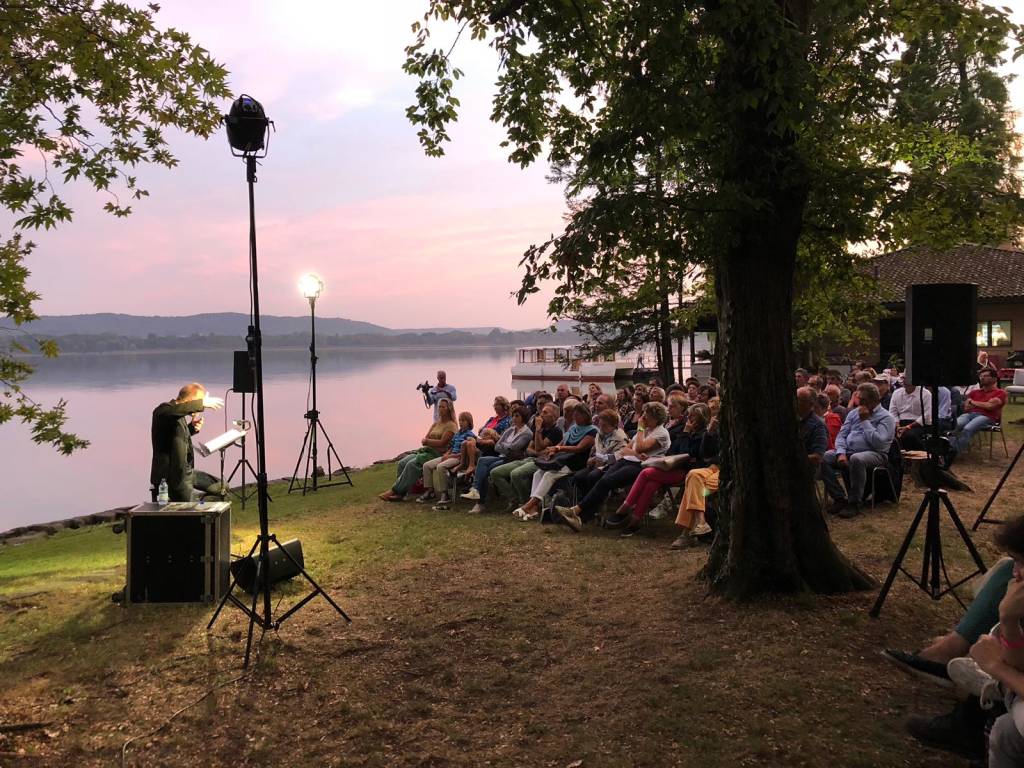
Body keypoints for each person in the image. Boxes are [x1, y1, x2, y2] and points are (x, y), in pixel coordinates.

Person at [556, 401, 672, 530]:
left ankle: (577, 513)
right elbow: (626, 450)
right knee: (601, 480)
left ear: (655, 418)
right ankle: (579, 515)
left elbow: (638, 447)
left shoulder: (661, 433)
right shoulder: (646, 430)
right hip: (627, 460)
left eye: (646, 414)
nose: (643, 417)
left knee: (606, 481)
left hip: (642, 466)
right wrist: (637, 452)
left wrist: (640, 429)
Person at [609, 402, 711, 537]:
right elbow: (672, 451)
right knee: (651, 485)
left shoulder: (702, 435)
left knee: (646, 473)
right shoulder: (685, 433)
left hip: (687, 472)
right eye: (689, 416)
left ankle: (624, 508)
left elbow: (688, 454)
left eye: (693, 417)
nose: (689, 420)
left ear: (701, 419)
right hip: (672, 468)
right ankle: (634, 522)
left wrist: (686, 433)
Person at [819, 382, 896, 519]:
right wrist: (841, 452)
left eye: (862, 400)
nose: (859, 402)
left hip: (876, 454)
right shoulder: (853, 413)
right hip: (848, 450)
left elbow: (879, 443)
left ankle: (854, 502)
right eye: (858, 399)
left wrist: (865, 421)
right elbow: (842, 434)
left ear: (874, 400)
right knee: (825, 457)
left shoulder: (886, 417)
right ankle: (839, 498)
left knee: (857, 459)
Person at [512, 403, 597, 521]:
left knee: (549, 475)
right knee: (538, 473)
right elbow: (562, 443)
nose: (575, 418)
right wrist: (553, 450)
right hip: (563, 460)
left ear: (585, 416)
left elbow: (579, 448)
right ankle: (534, 507)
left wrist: (559, 449)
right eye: (574, 415)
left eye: (577, 415)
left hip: (576, 463)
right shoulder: (573, 428)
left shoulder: (592, 431)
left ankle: (530, 505)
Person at [150, 382, 225, 502]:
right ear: (191, 399)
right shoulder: (163, 411)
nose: (202, 408)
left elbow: (174, 438)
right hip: (172, 476)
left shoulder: (180, 415)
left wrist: (191, 428)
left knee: (222, 487)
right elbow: (172, 412)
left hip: (187, 473)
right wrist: (200, 404)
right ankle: (195, 502)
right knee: (188, 509)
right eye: (199, 401)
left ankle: (197, 500)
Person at [380, 399, 457, 501]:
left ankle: (395, 490)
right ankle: (402, 493)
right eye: (439, 406)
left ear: (449, 409)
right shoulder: (436, 424)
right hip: (427, 450)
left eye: (443, 407)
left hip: (438, 454)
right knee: (402, 463)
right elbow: (425, 438)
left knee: (412, 464)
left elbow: (442, 443)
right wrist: (428, 441)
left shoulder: (451, 425)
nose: (440, 409)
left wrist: (428, 441)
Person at [489, 403, 562, 511]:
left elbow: (538, 447)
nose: (541, 415)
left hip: (543, 463)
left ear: (554, 416)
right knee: (495, 473)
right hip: (529, 458)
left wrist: (538, 431)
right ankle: (514, 499)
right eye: (541, 412)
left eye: (545, 413)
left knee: (516, 474)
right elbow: (530, 449)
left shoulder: (556, 431)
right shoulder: (540, 429)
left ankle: (525, 503)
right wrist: (539, 451)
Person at [461, 405, 533, 513]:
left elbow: (514, 448)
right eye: (513, 415)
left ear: (523, 417)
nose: (514, 418)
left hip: (512, 460)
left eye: (517, 416)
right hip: (502, 456)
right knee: (482, 461)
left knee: (487, 470)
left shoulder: (527, 433)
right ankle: (475, 490)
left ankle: (483, 502)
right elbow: (497, 446)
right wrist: (506, 446)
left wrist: (505, 446)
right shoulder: (510, 430)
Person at [418, 411, 475, 509]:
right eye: (460, 420)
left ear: (469, 422)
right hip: (450, 455)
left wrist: (451, 456)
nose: (461, 422)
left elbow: (467, 451)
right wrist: (447, 454)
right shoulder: (457, 434)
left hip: (459, 458)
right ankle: (430, 491)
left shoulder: (470, 435)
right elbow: (450, 446)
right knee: (426, 465)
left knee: (441, 467)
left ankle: (445, 494)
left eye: (464, 420)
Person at [953, 369, 1007, 454]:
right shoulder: (974, 392)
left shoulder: (1000, 393)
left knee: (968, 429)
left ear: (994, 379)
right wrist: (984, 403)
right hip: (969, 414)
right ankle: (948, 450)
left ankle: (952, 452)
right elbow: (966, 408)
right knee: (954, 426)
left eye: (985, 376)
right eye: (981, 376)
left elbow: (990, 407)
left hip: (987, 417)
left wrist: (973, 402)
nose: (982, 378)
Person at [460, 396, 511, 474]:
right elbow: (481, 431)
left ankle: (471, 466)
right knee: (466, 442)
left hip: (494, 443)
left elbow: (502, 436)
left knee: (470, 442)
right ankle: (466, 466)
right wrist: (486, 432)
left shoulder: (508, 420)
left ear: (504, 406)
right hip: (484, 440)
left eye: (497, 404)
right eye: (494, 404)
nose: (495, 406)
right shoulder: (492, 419)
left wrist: (491, 433)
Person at [889, 378, 932, 452]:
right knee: (889, 435)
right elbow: (892, 412)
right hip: (899, 422)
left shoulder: (926, 394)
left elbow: (927, 415)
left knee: (910, 436)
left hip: (918, 424)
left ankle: (919, 458)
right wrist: (898, 426)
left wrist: (908, 427)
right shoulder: (896, 393)